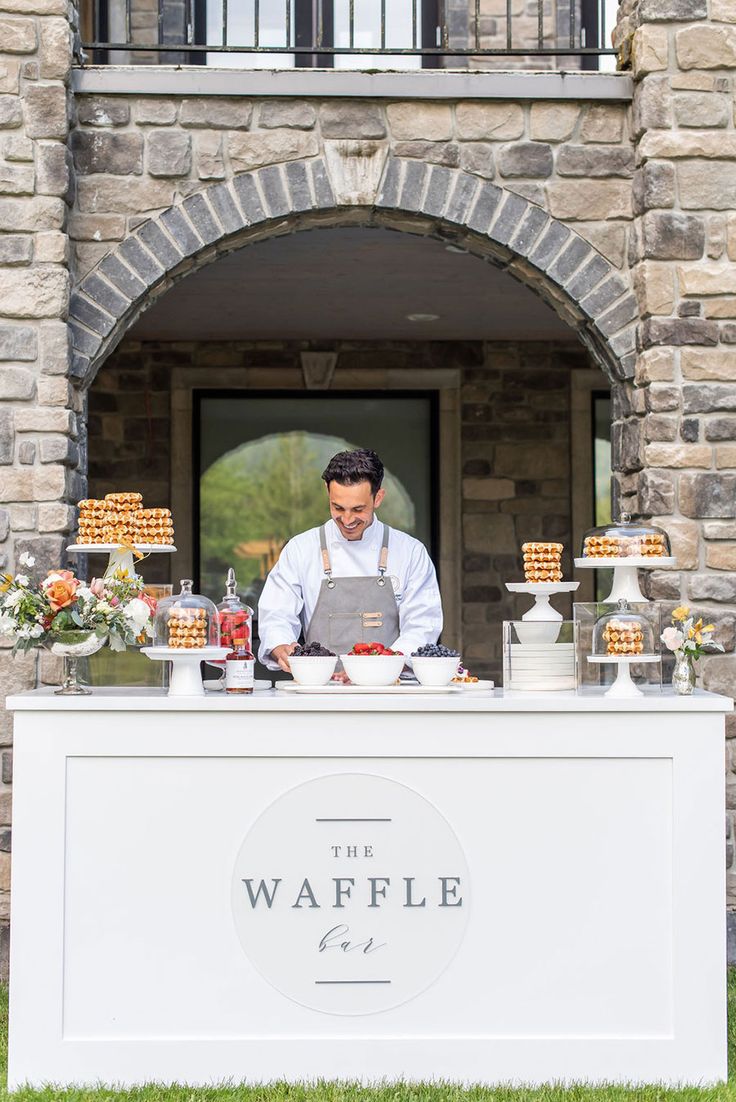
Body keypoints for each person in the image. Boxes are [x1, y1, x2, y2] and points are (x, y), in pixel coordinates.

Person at [257, 448, 442, 672]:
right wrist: (281, 646)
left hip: (391, 690)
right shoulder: (300, 549)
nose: (347, 519)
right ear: (327, 491)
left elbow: (422, 626)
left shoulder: (410, 552)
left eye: (358, 509)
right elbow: (277, 613)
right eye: (338, 507)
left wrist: (378, 667)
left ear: (378, 498)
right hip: (319, 691)